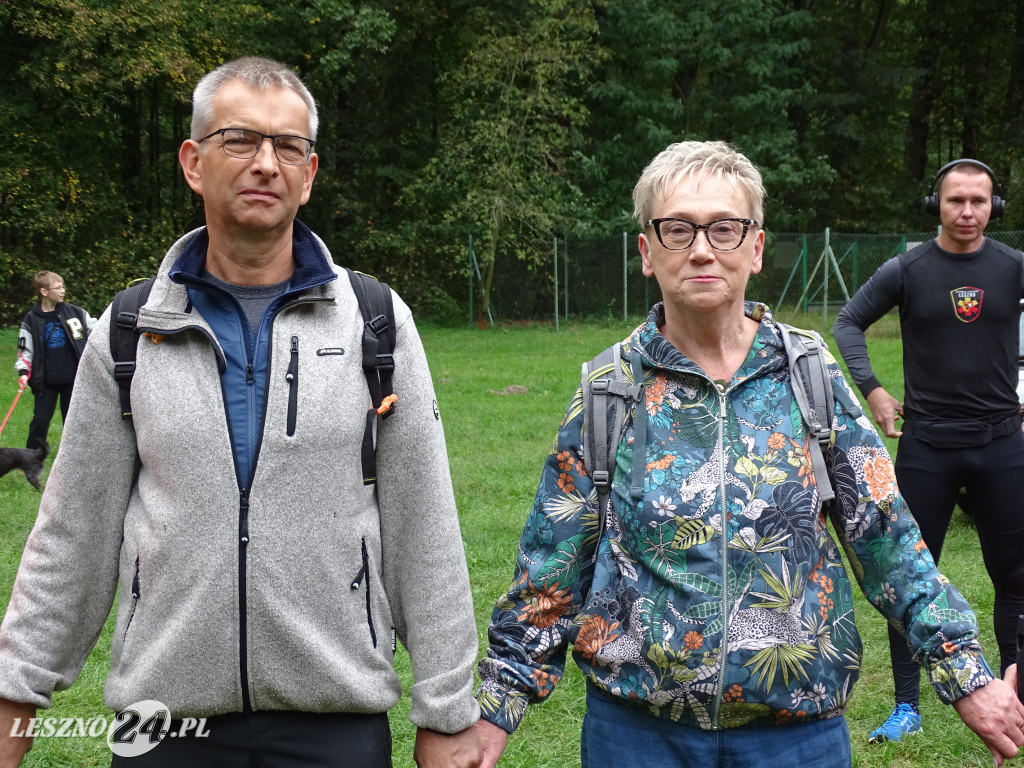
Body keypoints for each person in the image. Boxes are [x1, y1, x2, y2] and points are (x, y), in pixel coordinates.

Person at [473, 141, 1024, 768]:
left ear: (755, 248)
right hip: (638, 738)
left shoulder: (809, 377)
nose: (702, 249)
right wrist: (494, 711)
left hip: (797, 736)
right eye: (677, 229)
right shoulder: (610, 392)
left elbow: (888, 541)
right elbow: (549, 571)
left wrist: (965, 674)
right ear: (647, 253)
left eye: (724, 228)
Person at [0, 57, 480, 768]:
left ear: (309, 174)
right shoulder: (129, 330)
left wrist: (446, 710)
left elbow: (423, 521)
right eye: (239, 140)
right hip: (164, 727)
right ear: (193, 162)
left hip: (335, 722)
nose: (266, 163)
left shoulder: (375, 322)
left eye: (288, 146)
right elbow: (73, 530)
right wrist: (14, 698)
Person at [832, 158, 1024, 744]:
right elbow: (848, 323)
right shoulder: (908, 269)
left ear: (995, 207)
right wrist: (875, 390)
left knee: (1015, 579)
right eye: (955, 201)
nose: (968, 212)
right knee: (905, 575)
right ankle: (907, 705)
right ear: (935, 205)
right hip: (927, 447)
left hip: (1002, 446)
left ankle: (1014, 693)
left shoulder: (1014, 268)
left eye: (979, 201)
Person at [14, 270, 97, 451]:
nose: (62, 291)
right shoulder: (31, 319)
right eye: (58, 288)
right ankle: (31, 456)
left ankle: (75, 453)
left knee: (72, 420)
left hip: (73, 378)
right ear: (44, 291)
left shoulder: (75, 312)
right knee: (41, 420)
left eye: (63, 287)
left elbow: (97, 330)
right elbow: (25, 350)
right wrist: (23, 373)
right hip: (46, 381)